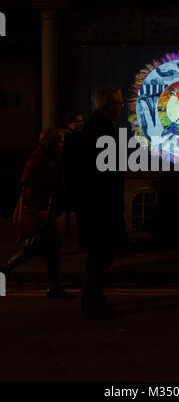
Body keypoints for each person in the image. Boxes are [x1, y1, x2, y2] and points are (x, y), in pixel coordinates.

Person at [2, 128, 72, 299]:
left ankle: (53, 286)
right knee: (39, 248)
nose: (62, 145)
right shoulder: (38, 159)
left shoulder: (51, 158)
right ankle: (4, 272)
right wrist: (47, 190)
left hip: (47, 212)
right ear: (50, 143)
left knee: (44, 248)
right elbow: (26, 181)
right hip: (41, 213)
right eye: (59, 141)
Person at [79, 86, 127, 318]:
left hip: (99, 204)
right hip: (101, 206)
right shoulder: (100, 131)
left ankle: (94, 298)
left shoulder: (98, 127)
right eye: (119, 103)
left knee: (102, 252)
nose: (121, 107)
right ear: (109, 106)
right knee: (100, 254)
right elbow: (102, 173)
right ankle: (92, 303)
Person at [62, 110, 84, 244]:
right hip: (75, 179)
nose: (81, 123)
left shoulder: (71, 137)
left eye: (82, 121)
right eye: (78, 121)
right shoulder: (72, 139)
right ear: (70, 123)